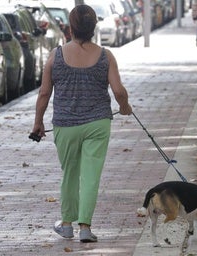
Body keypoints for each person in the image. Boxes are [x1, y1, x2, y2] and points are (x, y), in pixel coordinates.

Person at [31, 4, 132, 243]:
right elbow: (118, 90)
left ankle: (66, 225)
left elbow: (44, 93)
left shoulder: (55, 56)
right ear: (94, 27)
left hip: (65, 125)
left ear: (70, 27)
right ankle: (85, 228)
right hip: (98, 123)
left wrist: (38, 122)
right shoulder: (106, 56)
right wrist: (125, 107)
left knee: (70, 174)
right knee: (91, 176)